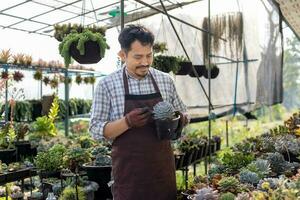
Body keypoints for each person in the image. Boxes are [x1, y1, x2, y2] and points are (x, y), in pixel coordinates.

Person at [89, 24, 188, 200]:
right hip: (129, 176)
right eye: (138, 57)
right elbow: (96, 130)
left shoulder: (165, 81)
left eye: (149, 55)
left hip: (162, 173)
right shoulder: (107, 85)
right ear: (122, 55)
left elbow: (183, 112)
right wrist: (127, 122)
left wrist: (180, 120)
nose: (145, 62)